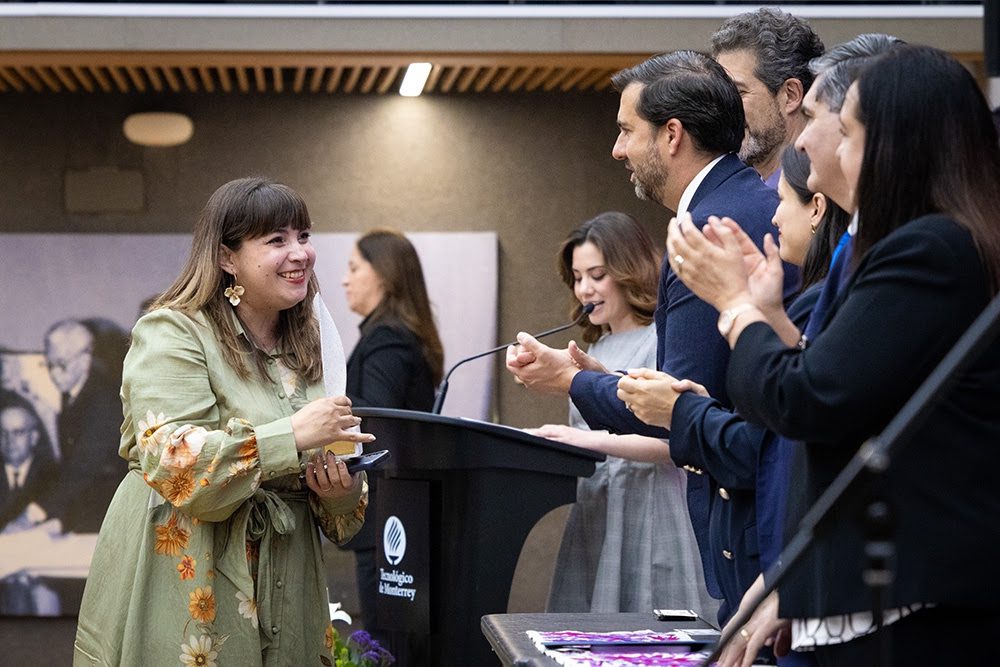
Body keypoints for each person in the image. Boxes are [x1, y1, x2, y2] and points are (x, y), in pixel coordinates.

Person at [658, 45, 1000, 665]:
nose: (816, 144)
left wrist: (735, 306)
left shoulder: (930, 250)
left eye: (845, 129)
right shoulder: (903, 246)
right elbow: (842, 388)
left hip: (911, 605)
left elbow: (810, 401)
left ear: (893, 143)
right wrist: (769, 317)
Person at [506, 50, 798, 625]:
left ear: (671, 135)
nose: (617, 150)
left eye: (625, 130)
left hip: (754, 525)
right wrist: (593, 377)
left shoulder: (705, 229)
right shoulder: (748, 201)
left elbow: (675, 409)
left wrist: (570, 380)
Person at [73, 177, 375, 666]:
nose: (300, 253)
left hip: (289, 582)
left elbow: (343, 516)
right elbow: (174, 460)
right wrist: (291, 435)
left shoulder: (312, 344)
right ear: (226, 257)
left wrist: (338, 491)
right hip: (188, 574)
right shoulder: (172, 331)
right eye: (276, 240)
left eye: (304, 236)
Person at [620, 145, 849, 667]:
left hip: (787, 561)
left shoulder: (823, 302)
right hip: (771, 566)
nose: (773, 215)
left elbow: (772, 434)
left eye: (783, 200)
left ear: (816, 208)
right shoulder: (807, 301)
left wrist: (737, 308)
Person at [527, 212, 715, 617]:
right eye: (577, 277)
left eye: (597, 275)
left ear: (629, 271)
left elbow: (675, 441)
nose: (585, 289)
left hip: (651, 507)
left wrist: (584, 438)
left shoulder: (660, 340)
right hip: (598, 508)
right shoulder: (594, 349)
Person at [339, 228, 442, 640]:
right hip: (393, 510)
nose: (344, 279)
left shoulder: (387, 338)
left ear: (383, 274)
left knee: (387, 643)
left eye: (353, 268)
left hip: (387, 512)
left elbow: (377, 419)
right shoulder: (391, 333)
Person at [711, 8, 824, 185]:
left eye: (738, 92)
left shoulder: (825, 189)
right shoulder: (738, 190)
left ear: (791, 95)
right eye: (721, 94)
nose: (723, 110)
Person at [44, 319, 124, 533]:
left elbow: (83, 467)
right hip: (82, 512)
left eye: (61, 364)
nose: (54, 374)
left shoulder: (103, 400)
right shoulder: (72, 392)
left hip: (108, 517)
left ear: (85, 358)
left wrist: (40, 511)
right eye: (49, 364)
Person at [0, 397, 57, 533]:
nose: (10, 440)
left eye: (18, 432)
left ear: (33, 437)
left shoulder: (53, 476)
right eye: (3, 433)